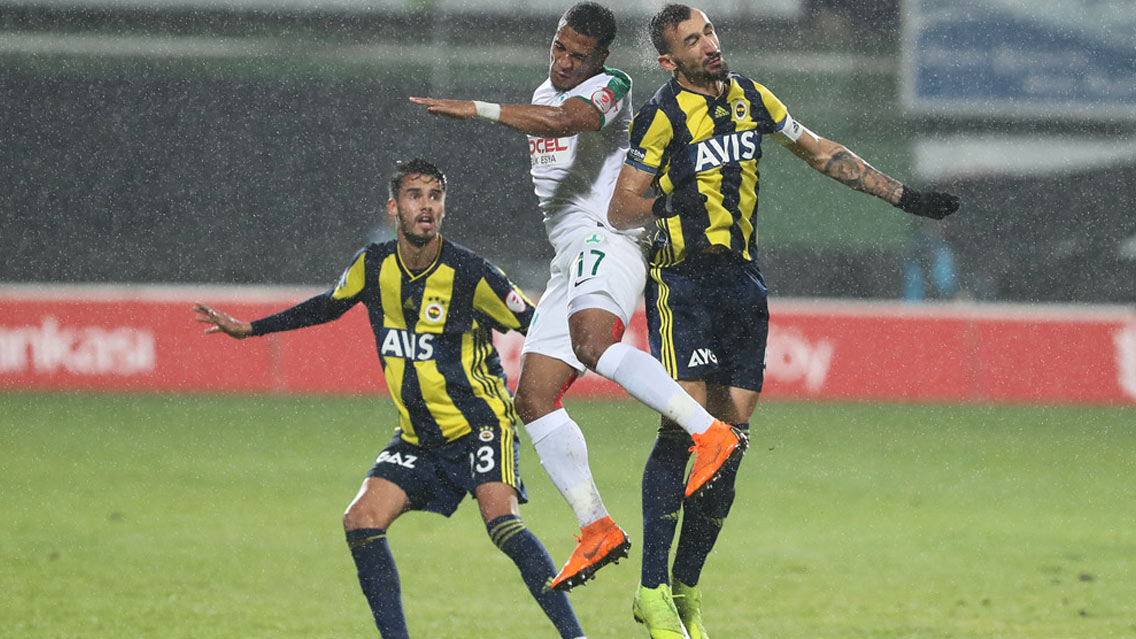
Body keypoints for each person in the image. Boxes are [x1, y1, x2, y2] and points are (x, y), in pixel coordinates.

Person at [606, 5, 960, 638]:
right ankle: (651, 589)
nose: (710, 45)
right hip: (684, 282)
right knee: (685, 429)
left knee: (731, 440)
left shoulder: (751, 97)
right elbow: (621, 206)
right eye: (693, 41)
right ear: (668, 60)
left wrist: (904, 198)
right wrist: (674, 203)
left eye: (709, 31)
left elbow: (821, 153)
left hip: (742, 283)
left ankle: (687, 585)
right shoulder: (658, 116)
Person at [409, 1, 747, 593]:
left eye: (577, 54)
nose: (565, 62)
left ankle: (709, 432)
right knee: (535, 398)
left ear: (602, 58)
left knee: (593, 345)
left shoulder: (609, 87)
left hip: (610, 239)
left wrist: (479, 109)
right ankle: (595, 527)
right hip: (569, 258)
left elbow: (567, 122)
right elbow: (550, 123)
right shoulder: (545, 90)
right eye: (559, 48)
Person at [193, 159, 586, 639]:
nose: (427, 206)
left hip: (480, 425)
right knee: (361, 521)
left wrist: (558, 376)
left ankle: (576, 637)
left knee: (502, 523)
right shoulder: (372, 265)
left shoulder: (471, 273)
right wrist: (252, 329)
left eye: (435, 196)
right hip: (419, 438)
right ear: (393, 207)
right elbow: (327, 305)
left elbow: (539, 326)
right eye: (415, 195)